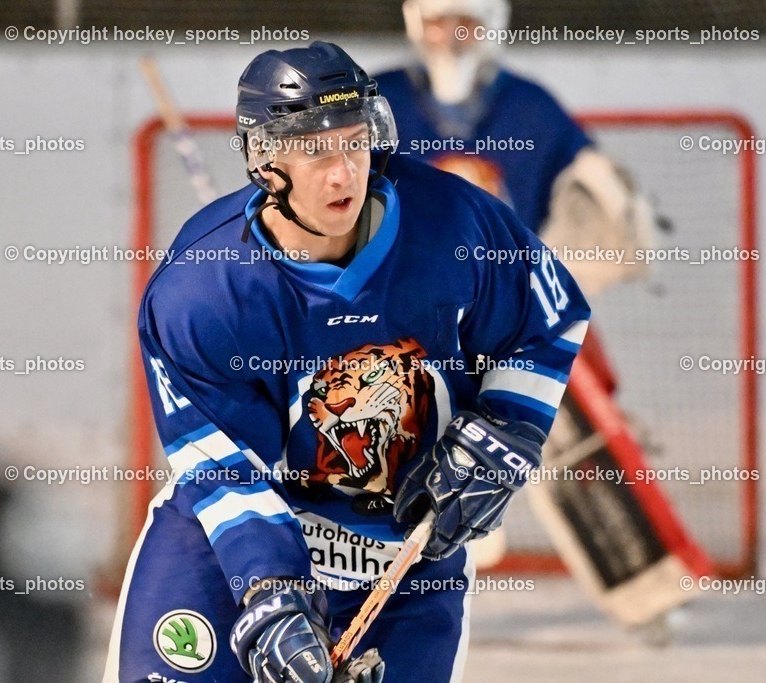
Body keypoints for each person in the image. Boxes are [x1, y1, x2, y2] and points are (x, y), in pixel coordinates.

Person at [104, 40, 589, 683]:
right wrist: (271, 590)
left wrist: (504, 428)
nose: (344, 174)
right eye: (315, 150)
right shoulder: (202, 290)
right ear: (265, 159)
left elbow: (548, 319)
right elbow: (216, 460)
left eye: (354, 142)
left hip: (406, 559)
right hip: (229, 557)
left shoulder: (453, 227)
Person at [379, 0, 657, 296]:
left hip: (508, 307)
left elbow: (587, 175)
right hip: (400, 306)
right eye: (438, 23)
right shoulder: (380, 100)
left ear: (489, 24)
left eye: (463, 24)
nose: (450, 38)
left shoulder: (531, 109)